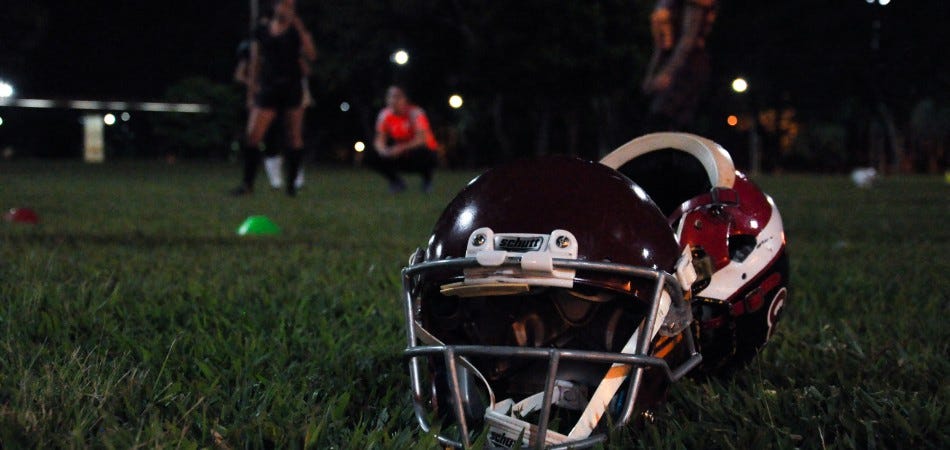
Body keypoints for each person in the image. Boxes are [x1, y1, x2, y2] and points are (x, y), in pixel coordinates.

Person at [231, 0, 316, 197]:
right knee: (253, 135)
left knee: (293, 136)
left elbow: (311, 55)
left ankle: (291, 186)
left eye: (290, 6)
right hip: (268, 87)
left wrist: (301, 29)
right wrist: (251, 91)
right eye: (283, 5)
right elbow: (254, 61)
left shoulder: (296, 32)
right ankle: (247, 184)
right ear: (275, 6)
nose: (286, 9)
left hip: (291, 86)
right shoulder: (262, 30)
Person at [641, 0, 718, 132]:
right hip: (673, 60)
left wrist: (667, 73)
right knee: (662, 117)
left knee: (667, 117)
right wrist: (652, 74)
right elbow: (661, 46)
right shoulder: (666, 4)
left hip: (689, 62)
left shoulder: (693, 5)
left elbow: (689, 39)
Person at [367, 86, 439, 193]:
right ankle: (396, 182)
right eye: (390, 97)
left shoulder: (415, 113)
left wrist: (401, 148)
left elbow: (421, 139)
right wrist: (384, 151)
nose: (393, 100)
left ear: (405, 99)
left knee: (425, 153)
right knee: (372, 155)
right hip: (399, 154)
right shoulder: (384, 115)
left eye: (397, 97)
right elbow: (379, 139)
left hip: (417, 151)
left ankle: (427, 182)